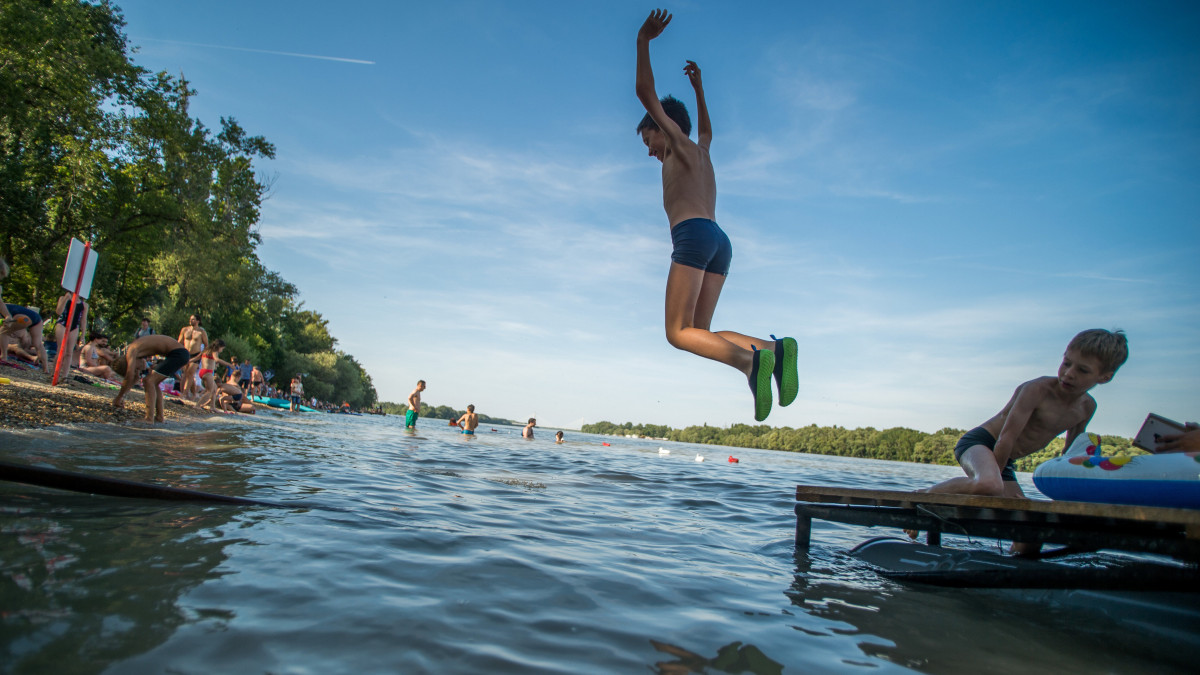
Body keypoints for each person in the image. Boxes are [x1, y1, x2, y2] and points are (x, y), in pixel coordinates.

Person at [635, 9, 797, 422]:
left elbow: (644, 93)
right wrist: (700, 88)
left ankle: (749, 363)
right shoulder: (701, 152)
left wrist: (643, 40)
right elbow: (708, 130)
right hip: (720, 241)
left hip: (693, 236)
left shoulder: (678, 145)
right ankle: (773, 351)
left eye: (648, 136)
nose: (649, 148)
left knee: (676, 333)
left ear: (664, 126)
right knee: (700, 332)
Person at [911, 329, 1128, 528]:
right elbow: (1007, 436)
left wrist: (1060, 502)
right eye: (1066, 363)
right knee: (989, 485)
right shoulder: (1038, 389)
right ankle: (923, 496)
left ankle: (1018, 555)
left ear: (1104, 377)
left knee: (1027, 525)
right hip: (982, 443)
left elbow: (1068, 456)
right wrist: (996, 483)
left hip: (1005, 461)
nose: (1069, 373)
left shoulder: (1087, 407)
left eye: (1082, 370)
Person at [112, 335, 192, 422]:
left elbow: (130, 375)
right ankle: (159, 417)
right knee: (153, 382)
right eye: (137, 370)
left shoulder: (131, 351)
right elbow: (135, 378)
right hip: (179, 354)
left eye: (136, 369)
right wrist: (123, 396)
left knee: (148, 381)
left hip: (178, 354)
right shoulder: (139, 351)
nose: (139, 370)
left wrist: (119, 397)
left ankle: (149, 418)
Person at [54, 292, 88, 381]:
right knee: (61, 350)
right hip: (62, 323)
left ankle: (64, 376)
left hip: (74, 327)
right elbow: (58, 311)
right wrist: (66, 298)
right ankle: (54, 373)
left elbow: (83, 320)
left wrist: (83, 334)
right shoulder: (63, 298)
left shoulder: (84, 305)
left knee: (69, 352)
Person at [193, 340, 233, 411]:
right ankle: (197, 405)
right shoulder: (214, 351)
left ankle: (212, 407)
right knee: (209, 391)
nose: (222, 350)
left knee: (214, 390)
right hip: (208, 372)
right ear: (219, 347)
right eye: (222, 348)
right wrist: (229, 364)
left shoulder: (206, 351)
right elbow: (217, 359)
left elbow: (197, 358)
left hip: (202, 371)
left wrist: (188, 361)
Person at [176, 314, 208, 400]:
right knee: (185, 374)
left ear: (198, 321)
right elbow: (179, 342)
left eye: (193, 319)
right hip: (185, 353)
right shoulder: (185, 330)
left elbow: (206, 345)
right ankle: (194, 394)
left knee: (190, 373)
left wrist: (201, 355)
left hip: (196, 354)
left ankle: (184, 393)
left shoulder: (201, 332)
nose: (191, 321)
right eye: (190, 319)